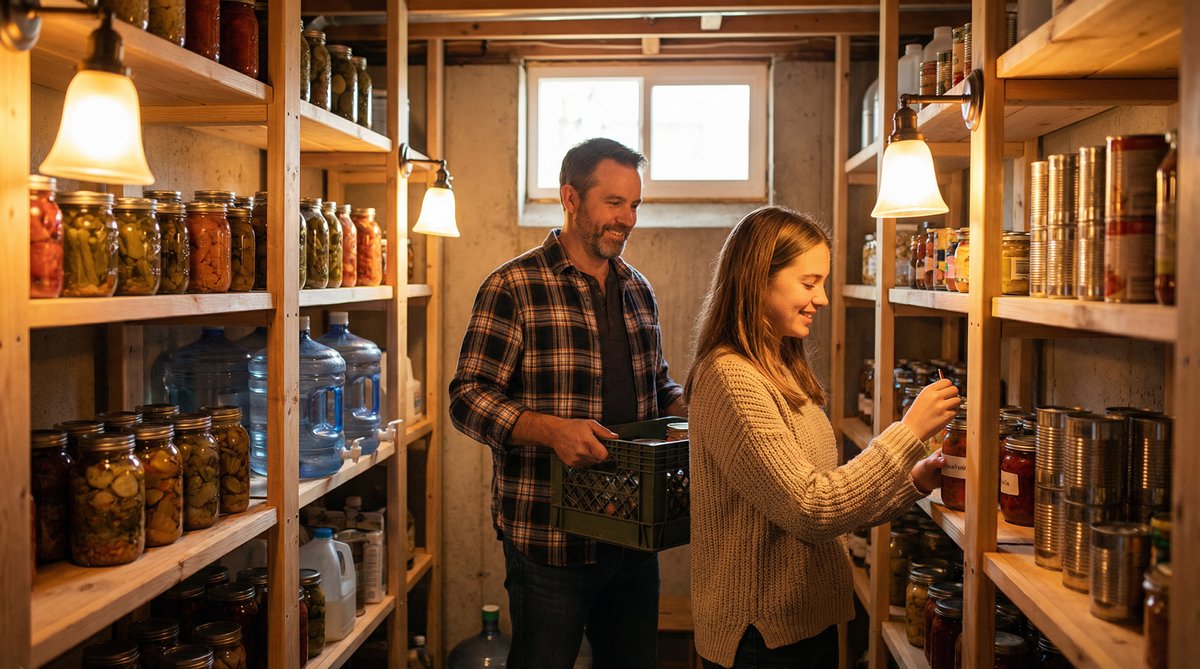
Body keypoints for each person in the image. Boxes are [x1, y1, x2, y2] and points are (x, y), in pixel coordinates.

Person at [449, 137, 687, 669]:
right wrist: (552, 431)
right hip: (549, 538)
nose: (626, 219)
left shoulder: (637, 289)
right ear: (571, 198)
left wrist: (691, 402)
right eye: (613, 203)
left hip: (634, 535)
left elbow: (657, 388)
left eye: (634, 206)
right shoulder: (513, 286)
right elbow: (467, 398)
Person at [685, 205, 957, 668]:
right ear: (758, 280)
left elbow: (836, 505)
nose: (823, 299)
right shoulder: (731, 379)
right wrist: (908, 431)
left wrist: (914, 481)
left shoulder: (781, 368)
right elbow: (812, 509)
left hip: (801, 624)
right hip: (758, 639)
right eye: (809, 283)